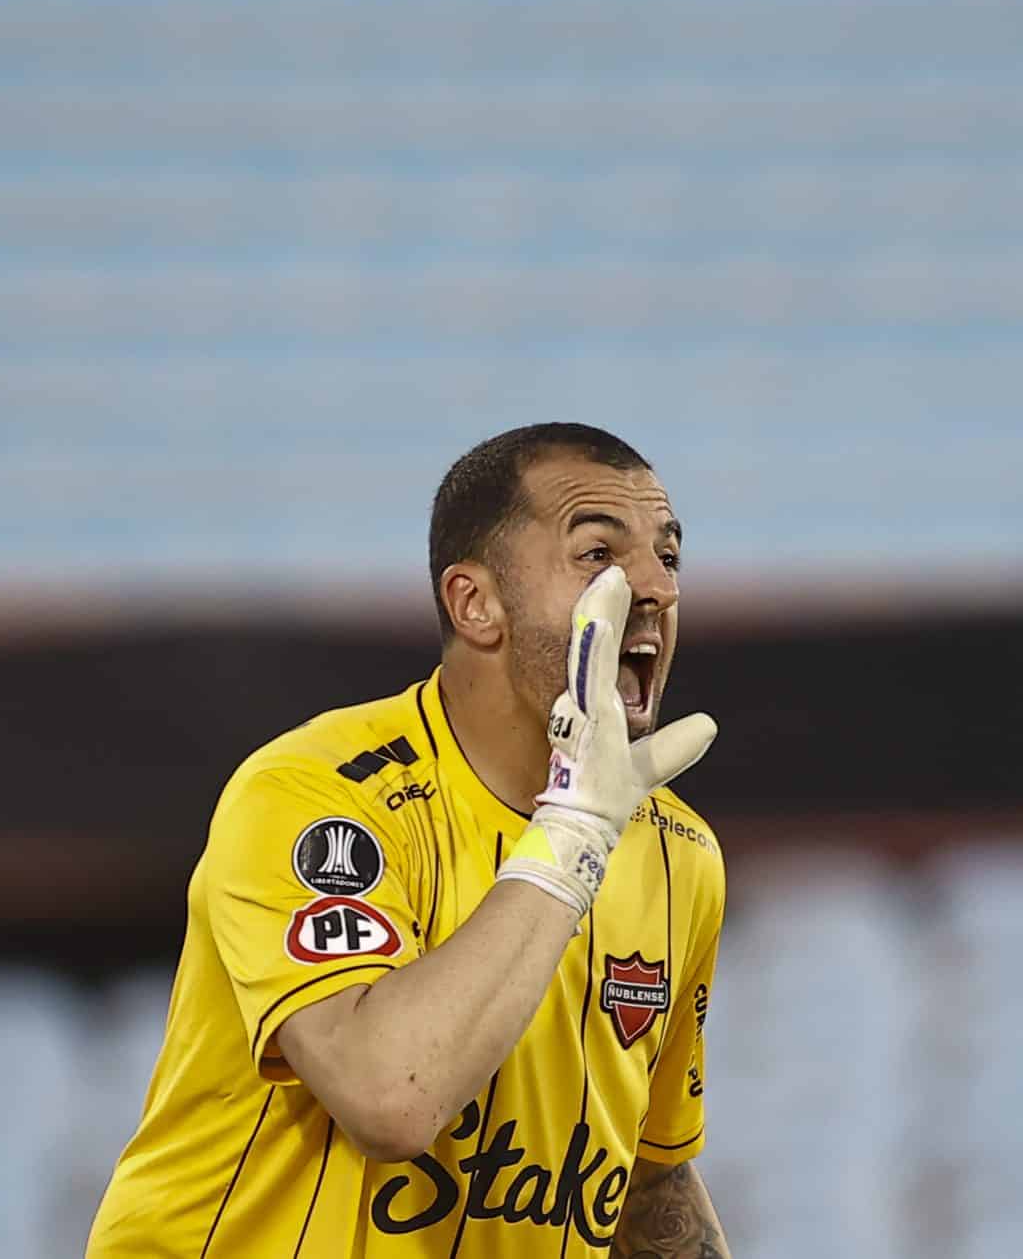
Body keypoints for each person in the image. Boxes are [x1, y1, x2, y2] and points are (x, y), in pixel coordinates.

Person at [87, 423, 733, 1258]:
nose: (653, 586)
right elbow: (391, 1096)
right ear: (475, 603)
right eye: (598, 554)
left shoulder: (682, 856)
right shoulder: (311, 797)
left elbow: (650, 1177)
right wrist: (574, 830)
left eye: (669, 557)